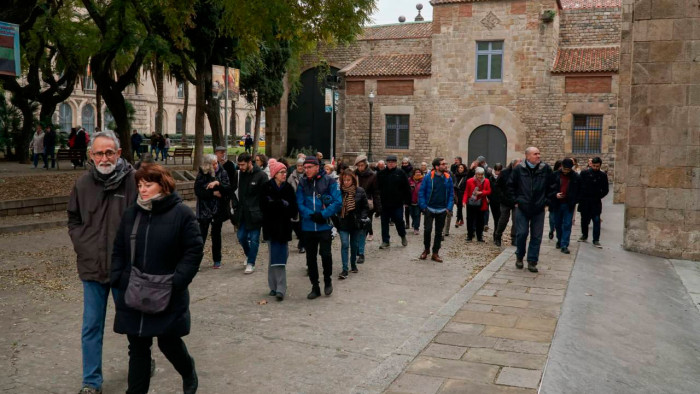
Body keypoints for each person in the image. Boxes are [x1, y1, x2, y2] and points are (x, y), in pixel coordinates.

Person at [110, 163, 202, 394]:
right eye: (140, 185)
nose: (142, 189)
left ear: (163, 185)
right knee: (138, 348)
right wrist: (119, 278)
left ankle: (188, 370)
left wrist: (177, 282)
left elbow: (193, 250)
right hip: (134, 292)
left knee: (168, 342)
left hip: (167, 292)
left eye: (148, 184)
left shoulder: (182, 213)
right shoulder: (132, 213)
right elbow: (119, 248)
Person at [67, 131, 139, 394]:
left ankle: (142, 364)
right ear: (91, 155)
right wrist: (82, 244)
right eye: (99, 153)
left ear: (119, 153)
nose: (105, 157)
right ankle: (91, 382)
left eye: (110, 152)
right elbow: (73, 219)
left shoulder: (133, 181)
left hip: (125, 270)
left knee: (133, 325)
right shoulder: (82, 184)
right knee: (91, 327)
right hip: (92, 269)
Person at [296, 156, 342, 299]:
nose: (306, 170)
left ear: (317, 167)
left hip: (324, 225)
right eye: (305, 167)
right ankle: (315, 286)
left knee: (326, 254)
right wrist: (311, 214)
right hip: (308, 226)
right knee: (310, 258)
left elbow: (337, 201)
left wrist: (323, 214)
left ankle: (327, 280)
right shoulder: (302, 182)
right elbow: (300, 202)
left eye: (309, 167)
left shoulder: (329, 180)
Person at [508, 147, 552, 272]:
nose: (538, 156)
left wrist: (547, 201)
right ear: (527, 156)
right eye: (535, 154)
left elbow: (552, 185)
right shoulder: (518, 169)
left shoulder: (545, 169)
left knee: (536, 236)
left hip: (539, 208)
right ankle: (519, 256)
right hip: (522, 207)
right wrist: (515, 201)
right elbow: (510, 186)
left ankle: (532, 261)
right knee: (521, 234)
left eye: (539, 153)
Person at [261, 160, 298, 301]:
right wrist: (280, 204)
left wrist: (276, 205)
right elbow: (264, 206)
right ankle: (277, 287)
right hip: (270, 227)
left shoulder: (288, 188)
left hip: (284, 227)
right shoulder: (266, 187)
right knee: (273, 256)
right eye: (282, 172)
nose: (285, 174)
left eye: (285, 172)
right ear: (275, 174)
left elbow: (292, 208)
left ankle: (278, 287)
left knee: (282, 255)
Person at [234, 153, 268, 274]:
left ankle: (251, 262)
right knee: (241, 237)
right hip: (243, 212)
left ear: (250, 162)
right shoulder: (240, 174)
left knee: (254, 239)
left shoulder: (261, 176)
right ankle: (249, 256)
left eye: (243, 165)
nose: (240, 167)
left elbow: (266, 196)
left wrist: (262, 212)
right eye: (239, 165)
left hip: (256, 213)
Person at [195, 154, 232, 268]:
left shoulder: (222, 171)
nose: (216, 165)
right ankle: (196, 261)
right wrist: (213, 193)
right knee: (202, 235)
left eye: (216, 163)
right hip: (204, 209)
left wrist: (218, 183)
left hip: (218, 209)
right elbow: (198, 191)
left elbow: (227, 189)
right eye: (213, 164)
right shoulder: (202, 173)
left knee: (216, 234)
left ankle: (217, 260)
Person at [336, 169, 370, 279]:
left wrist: (362, 218)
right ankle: (344, 269)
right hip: (343, 222)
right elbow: (335, 206)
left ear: (353, 180)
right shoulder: (338, 191)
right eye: (344, 180)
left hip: (356, 223)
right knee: (345, 244)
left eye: (348, 180)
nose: (346, 182)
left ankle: (353, 264)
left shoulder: (360, 191)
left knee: (354, 245)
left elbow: (365, 207)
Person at [418, 158, 453, 262]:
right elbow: (422, 192)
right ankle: (426, 249)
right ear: (437, 167)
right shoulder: (428, 177)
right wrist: (423, 206)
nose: (445, 165)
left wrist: (448, 208)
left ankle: (435, 252)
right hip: (429, 208)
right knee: (427, 230)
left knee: (439, 233)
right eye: (443, 164)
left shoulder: (448, 178)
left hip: (442, 210)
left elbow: (451, 194)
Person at [377, 155, 411, 249]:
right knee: (384, 223)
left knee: (399, 220)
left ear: (396, 163)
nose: (391, 164)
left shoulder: (401, 173)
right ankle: (385, 241)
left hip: (397, 203)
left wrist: (408, 201)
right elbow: (377, 188)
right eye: (389, 162)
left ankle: (402, 235)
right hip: (385, 203)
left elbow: (407, 188)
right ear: (386, 163)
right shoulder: (381, 174)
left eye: (392, 162)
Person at [548, 158, 580, 254]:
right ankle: (560, 239)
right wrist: (555, 194)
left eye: (568, 169)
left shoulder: (575, 177)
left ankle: (564, 244)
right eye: (565, 169)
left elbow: (579, 190)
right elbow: (549, 188)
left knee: (567, 224)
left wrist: (574, 200)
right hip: (557, 203)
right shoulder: (555, 175)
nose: (566, 171)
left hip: (568, 204)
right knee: (557, 223)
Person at [354, 155, 381, 261]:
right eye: (358, 165)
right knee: (355, 229)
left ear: (365, 165)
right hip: (354, 205)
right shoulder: (353, 174)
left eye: (362, 165)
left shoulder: (373, 176)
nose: (360, 167)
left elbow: (376, 192)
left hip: (367, 206)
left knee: (363, 230)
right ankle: (357, 248)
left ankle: (361, 252)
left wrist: (378, 207)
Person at [578, 157, 609, 247]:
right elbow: (579, 185)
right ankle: (584, 235)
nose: (595, 168)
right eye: (594, 166)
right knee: (584, 220)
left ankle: (596, 239)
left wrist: (599, 195)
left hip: (595, 201)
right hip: (585, 200)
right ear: (591, 165)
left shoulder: (602, 175)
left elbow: (605, 189)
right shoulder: (584, 173)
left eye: (597, 166)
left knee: (596, 220)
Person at [494, 159, 521, 247]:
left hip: (516, 201)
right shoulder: (504, 173)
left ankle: (514, 238)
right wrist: (502, 196)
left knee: (516, 219)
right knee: (503, 219)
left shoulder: (522, 174)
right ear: (513, 165)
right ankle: (498, 235)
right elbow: (497, 186)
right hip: (505, 200)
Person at [464, 167, 491, 242]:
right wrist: (464, 201)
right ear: (476, 174)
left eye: (482, 174)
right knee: (470, 220)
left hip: (481, 203)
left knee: (480, 220)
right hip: (471, 202)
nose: (480, 176)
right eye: (479, 174)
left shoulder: (486, 181)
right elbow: (466, 191)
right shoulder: (470, 181)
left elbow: (489, 191)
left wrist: (481, 192)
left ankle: (479, 236)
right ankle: (469, 236)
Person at [287, 157, 306, 253]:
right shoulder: (291, 176)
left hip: (305, 203)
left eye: (301, 166)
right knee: (295, 224)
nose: (300, 167)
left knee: (303, 224)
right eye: (298, 166)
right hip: (294, 203)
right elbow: (287, 188)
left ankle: (302, 244)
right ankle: (301, 240)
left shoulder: (307, 176)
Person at [548, 160, 563, 240]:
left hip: (561, 201)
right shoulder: (553, 175)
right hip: (553, 200)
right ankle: (551, 229)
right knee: (552, 218)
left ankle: (558, 234)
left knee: (558, 219)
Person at [489, 163, 504, 241]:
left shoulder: (503, 178)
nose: (498, 172)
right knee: (496, 218)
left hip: (501, 201)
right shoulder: (491, 178)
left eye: (499, 170)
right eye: (496, 170)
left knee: (500, 219)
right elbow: (489, 189)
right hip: (493, 201)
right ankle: (496, 234)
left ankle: (497, 235)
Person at [408, 168, 424, 235]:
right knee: (412, 214)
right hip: (410, 200)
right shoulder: (410, 180)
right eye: (416, 172)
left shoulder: (423, 180)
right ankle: (414, 223)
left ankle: (416, 228)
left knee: (417, 214)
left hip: (419, 201)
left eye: (419, 172)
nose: (418, 173)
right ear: (414, 173)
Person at [453, 164, 469, 228]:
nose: (460, 169)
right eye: (459, 167)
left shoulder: (466, 176)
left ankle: (457, 220)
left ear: (464, 169)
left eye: (462, 168)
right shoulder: (455, 175)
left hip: (462, 193)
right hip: (456, 193)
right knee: (458, 207)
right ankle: (461, 220)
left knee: (459, 207)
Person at [400, 158, 414, 229]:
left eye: (406, 163)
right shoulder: (400, 170)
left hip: (410, 190)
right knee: (406, 208)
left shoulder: (412, 170)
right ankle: (407, 223)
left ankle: (414, 221)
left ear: (408, 163)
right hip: (403, 190)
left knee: (412, 208)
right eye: (403, 163)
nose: (404, 164)